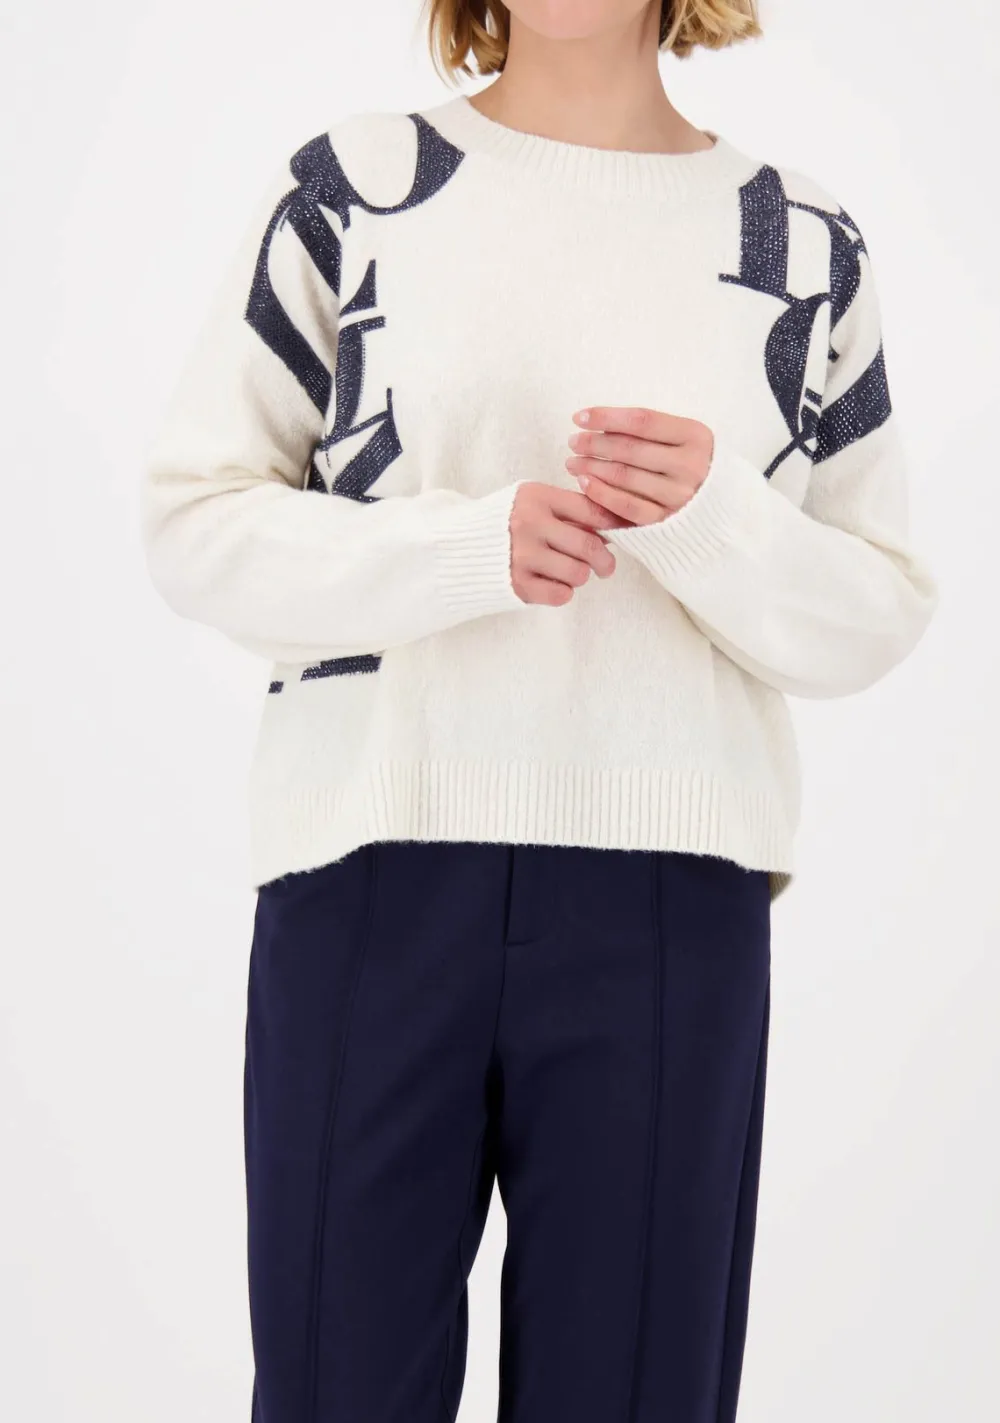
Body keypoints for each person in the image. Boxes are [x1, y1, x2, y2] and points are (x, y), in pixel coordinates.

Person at [139, 2, 939, 1420]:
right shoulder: (353, 187)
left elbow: (877, 605)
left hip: (670, 904)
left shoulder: (799, 237)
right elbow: (196, 524)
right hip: (372, 878)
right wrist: (460, 551)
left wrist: (709, 520)